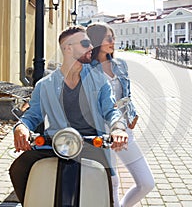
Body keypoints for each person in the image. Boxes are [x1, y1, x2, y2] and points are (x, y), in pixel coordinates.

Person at [9, 25, 128, 205]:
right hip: (56, 145)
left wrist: (118, 128)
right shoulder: (45, 84)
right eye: (85, 43)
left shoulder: (99, 79)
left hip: (92, 143)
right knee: (18, 169)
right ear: (68, 48)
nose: (90, 48)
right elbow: (32, 115)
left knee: (109, 189)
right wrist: (21, 128)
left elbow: (111, 111)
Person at [87, 22, 155, 207]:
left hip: (123, 130)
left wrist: (132, 114)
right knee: (112, 182)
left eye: (113, 37)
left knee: (147, 183)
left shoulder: (120, 65)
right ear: (96, 41)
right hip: (100, 131)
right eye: (108, 37)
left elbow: (127, 94)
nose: (112, 41)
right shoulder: (86, 69)